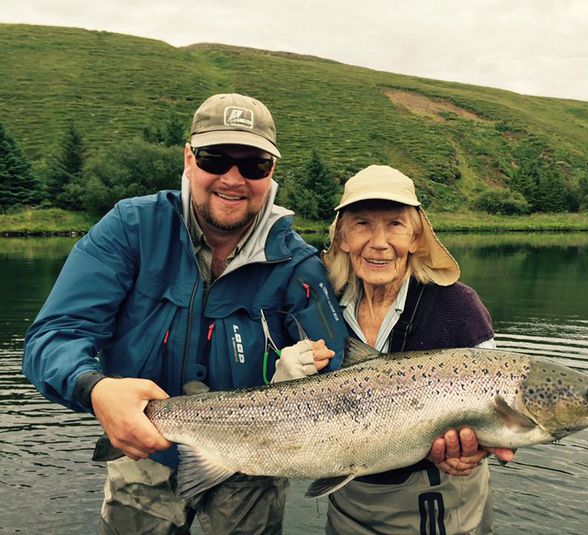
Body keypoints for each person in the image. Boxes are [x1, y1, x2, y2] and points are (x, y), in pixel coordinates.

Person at [22, 93, 347, 534]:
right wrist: (96, 390)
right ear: (189, 159)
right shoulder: (131, 228)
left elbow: (344, 375)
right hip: (144, 450)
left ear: (271, 172)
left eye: (253, 165)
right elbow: (55, 336)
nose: (233, 179)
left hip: (252, 459)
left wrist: (303, 376)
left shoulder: (298, 264)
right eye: (216, 159)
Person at [321, 165, 514, 534]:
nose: (379, 242)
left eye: (395, 224)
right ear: (342, 237)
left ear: (415, 237)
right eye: (362, 224)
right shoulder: (323, 306)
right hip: (348, 501)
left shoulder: (459, 307)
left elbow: (504, 403)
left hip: (441, 506)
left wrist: (478, 450)